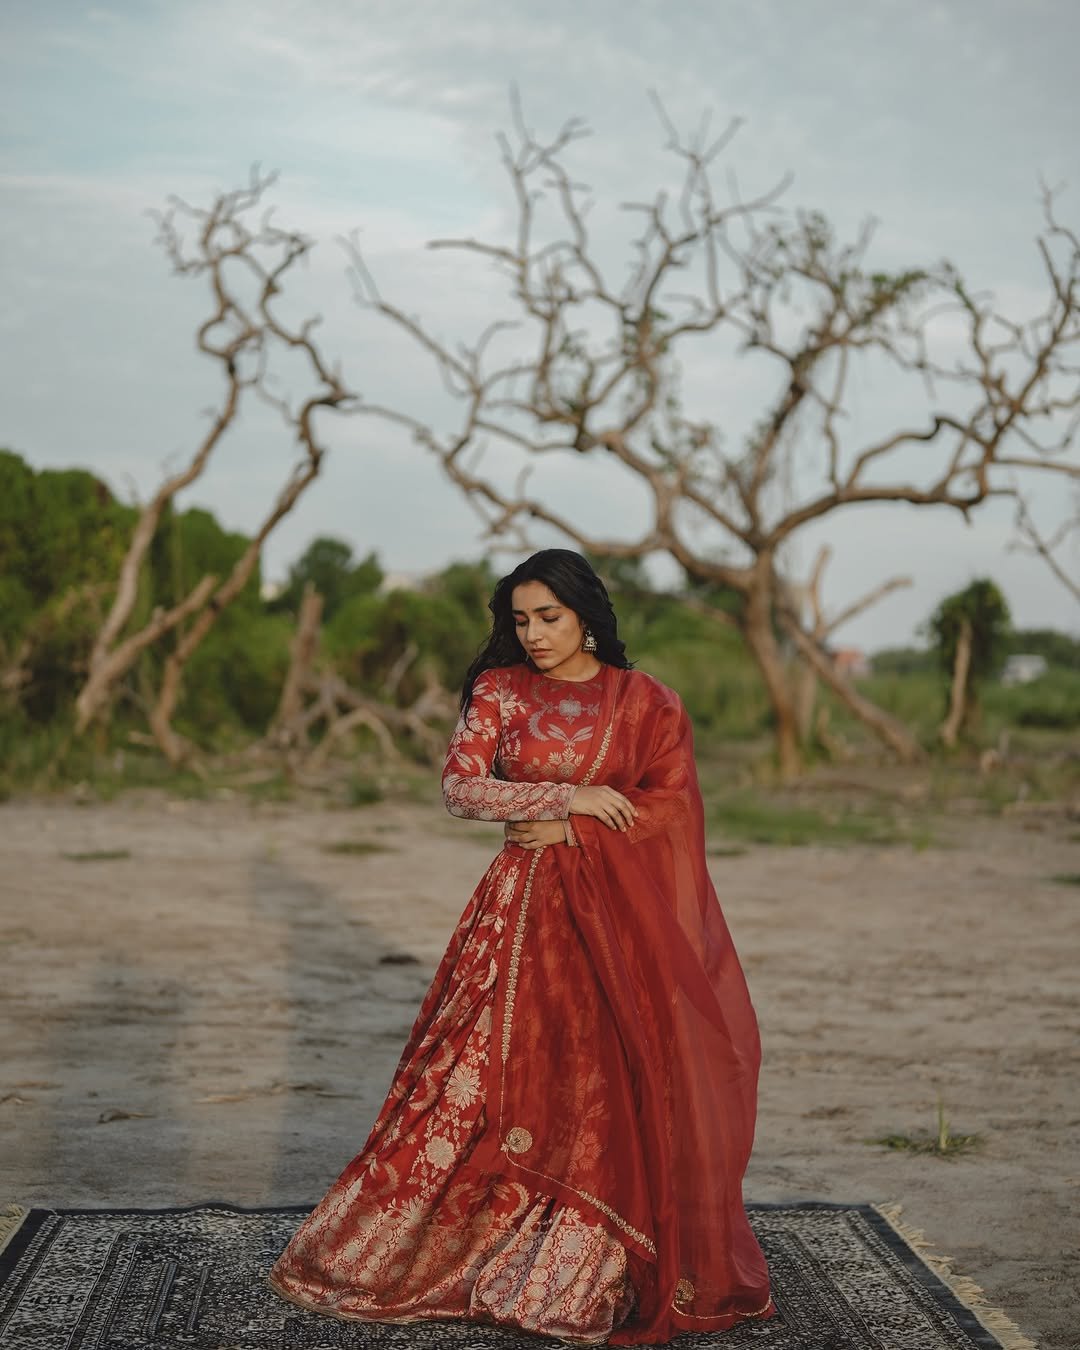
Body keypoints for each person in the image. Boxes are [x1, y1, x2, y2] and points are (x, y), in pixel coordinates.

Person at [268, 549, 773, 1345]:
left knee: (602, 1080)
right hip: (519, 914)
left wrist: (576, 828)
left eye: (549, 618)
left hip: (616, 924)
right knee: (468, 1077)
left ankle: (576, 1262)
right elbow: (461, 788)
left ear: (587, 616)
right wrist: (569, 794)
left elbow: (671, 811)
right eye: (520, 619)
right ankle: (440, 1245)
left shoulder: (647, 703)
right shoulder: (500, 691)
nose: (533, 634)